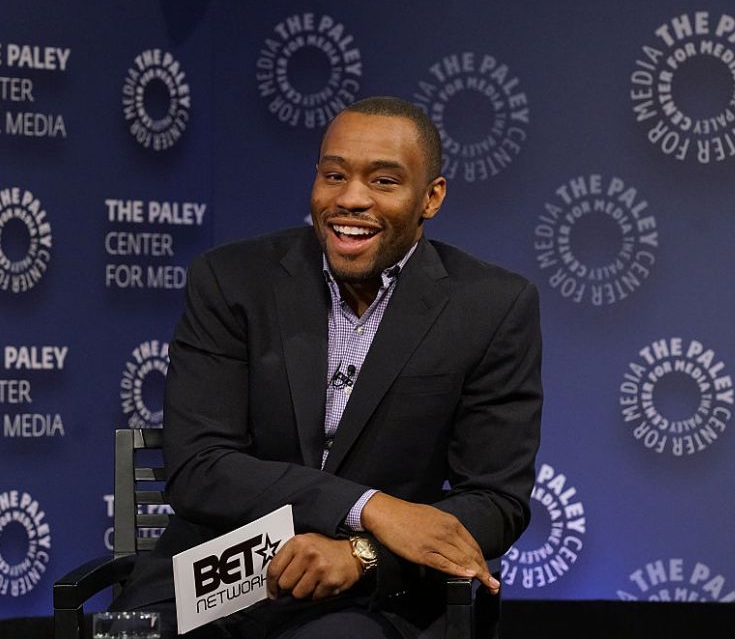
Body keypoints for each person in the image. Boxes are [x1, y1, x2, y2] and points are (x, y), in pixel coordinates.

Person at [116, 96, 542, 638]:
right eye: (334, 175)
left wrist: (360, 554)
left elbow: (495, 500)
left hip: (374, 593)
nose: (351, 199)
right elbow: (200, 466)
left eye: (384, 182)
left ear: (430, 197)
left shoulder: (491, 306)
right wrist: (367, 508)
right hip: (218, 574)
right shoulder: (230, 282)